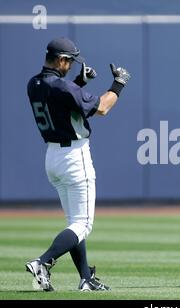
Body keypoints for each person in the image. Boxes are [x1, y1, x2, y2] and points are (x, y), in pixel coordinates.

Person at [26, 37, 131, 291]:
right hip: (74, 156)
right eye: (70, 62)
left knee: (75, 222)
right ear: (61, 60)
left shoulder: (34, 83)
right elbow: (103, 108)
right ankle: (43, 262)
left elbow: (61, 101)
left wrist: (79, 83)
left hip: (52, 157)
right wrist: (119, 83)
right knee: (83, 225)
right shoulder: (63, 88)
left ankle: (86, 278)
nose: (71, 66)